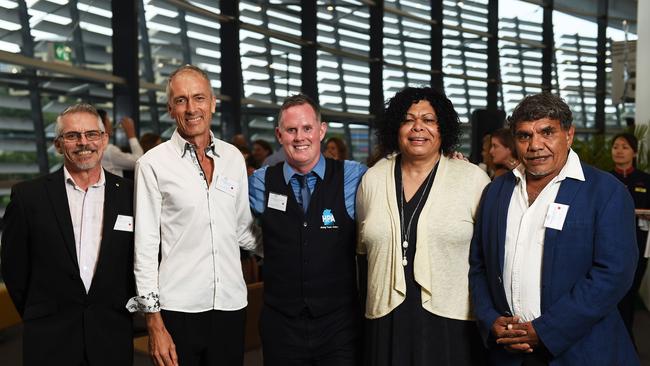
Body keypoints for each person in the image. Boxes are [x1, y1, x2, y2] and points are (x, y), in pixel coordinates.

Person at [469, 93, 639, 365]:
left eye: (547, 132)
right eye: (524, 136)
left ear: (569, 134)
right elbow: (479, 265)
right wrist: (490, 319)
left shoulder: (605, 192)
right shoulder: (495, 193)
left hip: (582, 352)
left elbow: (613, 274)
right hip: (507, 352)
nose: (535, 145)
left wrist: (546, 331)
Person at [129, 65, 258, 366]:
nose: (191, 108)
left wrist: (290, 245)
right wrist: (154, 322)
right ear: (170, 109)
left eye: (199, 98)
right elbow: (145, 248)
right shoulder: (152, 164)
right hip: (179, 310)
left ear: (213, 103)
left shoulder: (233, 158)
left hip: (231, 304)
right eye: (181, 100)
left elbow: (242, 228)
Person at [356, 87, 490, 366]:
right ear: (396, 127)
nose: (418, 127)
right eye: (408, 119)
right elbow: (361, 252)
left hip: (452, 322)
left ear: (443, 129)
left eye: (429, 120)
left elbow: (489, 256)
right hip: (386, 318)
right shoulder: (372, 179)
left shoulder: (472, 179)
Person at [1, 103, 135, 365]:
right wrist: (38, 314)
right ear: (59, 145)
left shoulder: (131, 194)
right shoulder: (29, 196)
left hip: (112, 334)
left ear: (104, 139)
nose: (83, 143)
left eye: (91, 134)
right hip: (50, 338)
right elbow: (15, 269)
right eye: (72, 136)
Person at [249, 94, 367, 365]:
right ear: (279, 135)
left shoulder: (354, 176)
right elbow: (231, 221)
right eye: (291, 130)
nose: (299, 137)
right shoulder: (260, 182)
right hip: (281, 327)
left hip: (339, 327)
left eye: (307, 128)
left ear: (321, 131)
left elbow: (399, 174)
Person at [610, 132, 650, 341]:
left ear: (634, 152)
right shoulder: (605, 179)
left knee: (630, 294)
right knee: (611, 295)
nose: (619, 150)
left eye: (624, 147)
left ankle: (626, 338)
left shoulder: (645, 180)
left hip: (639, 245)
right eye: (616, 146)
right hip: (609, 245)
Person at [97, 109, 144, 177]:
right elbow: (139, 161)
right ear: (102, 126)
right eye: (108, 120)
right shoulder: (108, 150)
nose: (111, 124)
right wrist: (131, 135)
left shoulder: (98, 148)